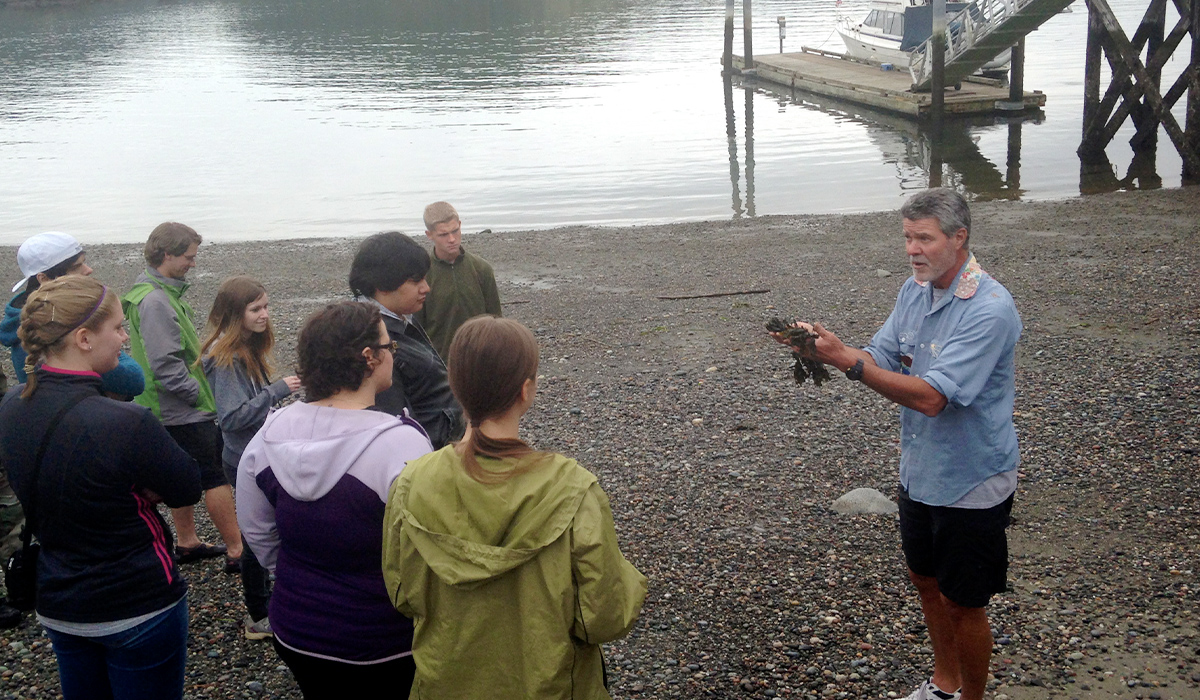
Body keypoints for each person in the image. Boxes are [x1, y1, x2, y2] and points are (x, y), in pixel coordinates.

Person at [774, 188, 1021, 700]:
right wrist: (821, 350)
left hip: (972, 479)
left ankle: (971, 698)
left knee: (965, 603)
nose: (913, 249)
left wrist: (848, 362)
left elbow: (933, 399)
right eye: (908, 238)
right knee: (925, 580)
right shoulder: (915, 290)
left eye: (924, 239)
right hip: (921, 471)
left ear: (959, 238)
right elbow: (879, 356)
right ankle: (943, 684)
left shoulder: (990, 308)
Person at [382, 316, 647, 699]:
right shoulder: (572, 487)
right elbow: (603, 616)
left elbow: (403, 592)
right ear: (526, 390)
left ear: (456, 387)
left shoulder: (413, 481)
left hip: (447, 682)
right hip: (550, 685)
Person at [0, 276, 201, 700]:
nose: (126, 338)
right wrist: (143, 485)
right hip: (136, 601)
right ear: (84, 338)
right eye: (118, 328)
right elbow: (186, 485)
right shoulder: (125, 423)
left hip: (59, 601)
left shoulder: (11, 405)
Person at [237, 301, 432, 698]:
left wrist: (304, 568)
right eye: (388, 345)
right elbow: (428, 547)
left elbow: (257, 534)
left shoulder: (268, 436)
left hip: (296, 629)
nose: (393, 352)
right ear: (369, 357)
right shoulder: (401, 443)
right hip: (383, 639)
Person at [0, 232, 145, 629]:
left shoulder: (24, 324)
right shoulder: (54, 328)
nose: (89, 268)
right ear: (46, 281)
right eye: (80, 265)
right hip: (84, 434)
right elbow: (132, 380)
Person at [122, 222, 241, 568]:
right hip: (179, 407)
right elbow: (165, 365)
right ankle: (237, 550)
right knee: (215, 475)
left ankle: (187, 542)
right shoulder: (157, 301)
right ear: (166, 254)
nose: (193, 263)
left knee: (178, 472)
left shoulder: (154, 293)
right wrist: (200, 397)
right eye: (188, 257)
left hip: (164, 406)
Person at [200, 276, 301, 640]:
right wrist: (278, 391)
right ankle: (259, 616)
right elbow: (231, 417)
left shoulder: (246, 349)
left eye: (266, 307)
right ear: (234, 314)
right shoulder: (225, 358)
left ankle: (271, 601)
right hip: (242, 457)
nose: (265, 315)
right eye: (256, 309)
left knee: (264, 531)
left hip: (253, 452)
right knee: (256, 537)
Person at [349, 231, 463, 449]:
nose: (426, 288)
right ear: (382, 284)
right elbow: (393, 419)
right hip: (427, 454)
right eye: (416, 280)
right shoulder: (376, 339)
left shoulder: (401, 315)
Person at [413, 202, 502, 359]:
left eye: (455, 231)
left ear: (460, 225)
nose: (452, 239)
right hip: (438, 365)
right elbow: (416, 329)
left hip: (481, 359)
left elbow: (496, 320)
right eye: (443, 234)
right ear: (429, 235)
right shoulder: (421, 275)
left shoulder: (482, 269)